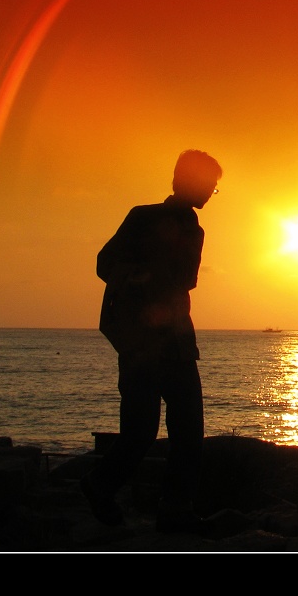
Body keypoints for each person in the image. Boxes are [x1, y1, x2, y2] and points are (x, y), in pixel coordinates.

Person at [81, 149, 222, 531]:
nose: (212, 192)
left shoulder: (194, 229)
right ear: (186, 180)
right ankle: (99, 486)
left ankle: (175, 509)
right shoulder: (142, 217)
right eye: (209, 184)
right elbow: (104, 262)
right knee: (140, 433)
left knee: (189, 433)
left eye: (215, 187)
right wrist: (137, 276)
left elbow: (185, 280)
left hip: (177, 342)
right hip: (142, 345)